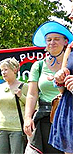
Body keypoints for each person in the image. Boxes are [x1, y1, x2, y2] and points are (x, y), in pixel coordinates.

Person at [24, 21, 69, 153]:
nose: (52, 42)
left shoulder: (70, 64)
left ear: (65, 42)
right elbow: (32, 95)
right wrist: (27, 118)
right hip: (45, 120)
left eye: (56, 39)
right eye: (49, 39)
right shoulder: (38, 66)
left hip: (67, 118)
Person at [0, 58, 28, 153]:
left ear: (15, 70)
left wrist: (21, 96)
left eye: (6, 69)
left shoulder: (24, 86)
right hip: (1, 129)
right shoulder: (0, 87)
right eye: (2, 70)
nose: (3, 72)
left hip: (18, 129)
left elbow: (34, 106)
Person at [48, 20, 73, 153]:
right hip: (69, 110)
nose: (71, 17)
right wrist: (59, 79)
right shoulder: (71, 48)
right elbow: (62, 88)